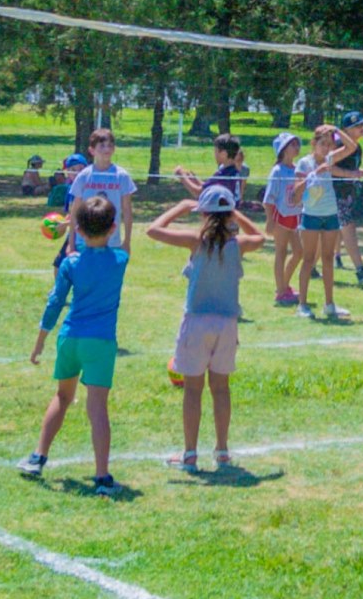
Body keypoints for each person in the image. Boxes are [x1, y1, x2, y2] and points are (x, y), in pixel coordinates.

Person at [146, 186, 267, 472]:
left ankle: (190, 454)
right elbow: (261, 237)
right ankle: (222, 451)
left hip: (197, 322)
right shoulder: (237, 244)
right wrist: (236, 212)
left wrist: (180, 206)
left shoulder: (195, 241)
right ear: (228, 215)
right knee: (221, 390)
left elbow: (153, 229)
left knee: (192, 390)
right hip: (227, 324)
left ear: (203, 213)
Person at [19, 197, 130, 496]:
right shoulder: (120, 261)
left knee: (62, 396)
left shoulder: (70, 263)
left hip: (70, 338)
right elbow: (121, 247)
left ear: (78, 230)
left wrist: (39, 342)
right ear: (113, 228)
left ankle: (37, 457)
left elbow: (55, 302)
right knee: (97, 408)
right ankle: (102, 477)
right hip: (101, 342)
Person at [294, 123, 360, 320]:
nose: (326, 148)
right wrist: (315, 174)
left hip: (330, 214)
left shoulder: (330, 159)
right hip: (311, 216)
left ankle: (329, 304)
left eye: (329, 145)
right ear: (314, 143)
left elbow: (352, 147)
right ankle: (302, 304)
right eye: (322, 144)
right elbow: (296, 192)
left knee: (328, 259)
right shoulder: (304, 163)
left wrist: (336, 129)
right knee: (308, 259)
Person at [328, 111, 363, 285]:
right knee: (348, 228)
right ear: (345, 130)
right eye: (357, 126)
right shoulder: (338, 145)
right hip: (333, 193)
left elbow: (354, 171)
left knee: (330, 232)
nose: (362, 129)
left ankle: (312, 266)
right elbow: (328, 167)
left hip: (346, 194)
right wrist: (351, 174)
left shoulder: (357, 147)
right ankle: (360, 270)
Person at [67, 128, 136, 251]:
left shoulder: (122, 176)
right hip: (84, 241)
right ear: (91, 150)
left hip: (111, 241)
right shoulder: (84, 176)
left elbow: (127, 210)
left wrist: (127, 241)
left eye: (110, 145)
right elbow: (74, 211)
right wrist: (71, 244)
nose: (107, 149)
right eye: (102, 146)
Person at [262, 133, 305, 306]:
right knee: (281, 252)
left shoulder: (297, 169)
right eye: (292, 144)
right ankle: (281, 292)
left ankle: (284, 285)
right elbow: (268, 198)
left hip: (294, 216)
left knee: (299, 252)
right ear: (283, 149)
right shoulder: (278, 171)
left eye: (297, 144)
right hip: (281, 217)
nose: (297, 147)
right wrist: (269, 220)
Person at [175, 133, 248, 208]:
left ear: (223, 154)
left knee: (186, 205)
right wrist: (195, 179)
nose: (214, 154)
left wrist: (181, 176)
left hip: (223, 215)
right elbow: (209, 187)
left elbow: (199, 193)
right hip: (231, 212)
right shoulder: (233, 171)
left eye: (216, 151)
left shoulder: (223, 174)